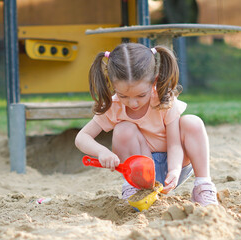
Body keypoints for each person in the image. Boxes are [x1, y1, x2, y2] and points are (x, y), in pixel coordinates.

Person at [75, 43, 218, 207]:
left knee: (192, 122)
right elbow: (82, 138)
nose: (133, 103)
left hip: (176, 164)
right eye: (123, 96)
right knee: (123, 129)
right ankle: (133, 188)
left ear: (153, 82)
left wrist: (174, 170)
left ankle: (203, 186)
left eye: (141, 95)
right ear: (113, 85)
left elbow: (175, 144)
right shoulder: (114, 106)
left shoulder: (163, 100)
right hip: (141, 172)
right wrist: (102, 152)